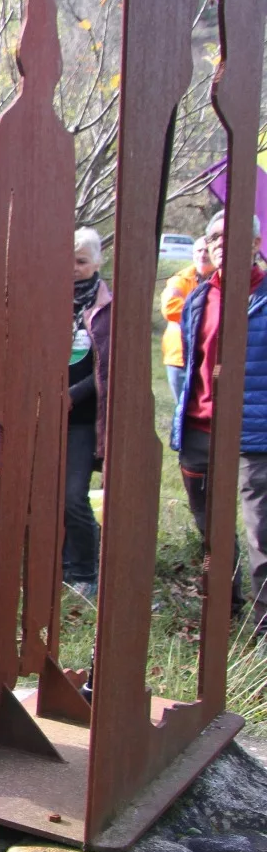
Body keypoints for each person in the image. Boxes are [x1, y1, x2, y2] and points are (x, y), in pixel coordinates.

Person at [173, 212, 258, 629]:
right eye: (214, 236)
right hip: (200, 430)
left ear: (257, 245)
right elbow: (194, 365)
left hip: (254, 435)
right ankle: (226, 608)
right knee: (211, 530)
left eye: (233, 235)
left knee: (260, 534)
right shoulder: (199, 298)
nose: (221, 242)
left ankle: (264, 629)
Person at [63, 228, 111, 600]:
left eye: (81, 261)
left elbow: (106, 368)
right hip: (47, 411)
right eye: (69, 260)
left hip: (83, 416)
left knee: (73, 495)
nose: (74, 268)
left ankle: (86, 570)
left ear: (97, 262)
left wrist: (72, 395)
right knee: (48, 494)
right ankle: (63, 564)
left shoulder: (107, 307)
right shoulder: (52, 298)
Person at [162, 233, 216, 403]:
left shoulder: (225, 281)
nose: (203, 255)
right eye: (199, 250)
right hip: (179, 358)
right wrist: (209, 313)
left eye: (207, 250)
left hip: (210, 358)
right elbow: (170, 309)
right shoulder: (179, 281)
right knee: (182, 407)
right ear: (193, 254)